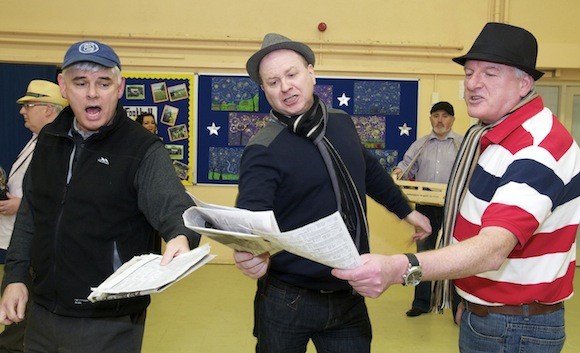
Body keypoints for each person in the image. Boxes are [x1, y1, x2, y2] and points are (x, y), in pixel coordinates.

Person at [332, 22, 580, 353]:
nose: (472, 85)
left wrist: (400, 268)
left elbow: (492, 249)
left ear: (524, 84)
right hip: (488, 313)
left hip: (516, 327)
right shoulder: (492, 135)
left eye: (490, 73)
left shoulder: (537, 146)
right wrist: (471, 299)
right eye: (469, 73)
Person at [233, 33, 432, 353]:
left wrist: (407, 211)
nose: (285, 87)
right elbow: (250, 218)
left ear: (311, 72)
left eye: (292, 74)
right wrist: (248, 252)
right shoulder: (263, 148)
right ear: (264, 90)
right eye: (272, 82)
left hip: (348, 295)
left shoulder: (339, 122)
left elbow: (368, 169)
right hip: (288, 299)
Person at [0, 40, 199, 353]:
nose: (92, 93)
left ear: (119, 88)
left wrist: (181, 236)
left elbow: (175, 207)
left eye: (103, 83)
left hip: (108, 319)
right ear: (63, 87)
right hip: (42, 310)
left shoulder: (141, 149)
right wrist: (15, 277)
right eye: (81, 83)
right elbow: (30, 215)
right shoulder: (49, 139)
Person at [0, 80, 67, 353]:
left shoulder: (55, 146)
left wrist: (21, 204)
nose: (22, 111)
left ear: (49, 110)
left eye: (29, 105)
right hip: (18, 243)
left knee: (19, 317)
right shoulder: (37, 141)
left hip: (33, 249)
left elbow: (59, 194)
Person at [392, 101, 463, 317]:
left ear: (452, 119)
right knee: (423, 253)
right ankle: (421, 303)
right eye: (436, 116)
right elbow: (405, 166)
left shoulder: (462, 144)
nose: (440, 120)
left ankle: (457, 305)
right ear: (430, 118)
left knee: (456, 254)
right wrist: (397, 172)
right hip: (424, 206)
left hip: (453, 206)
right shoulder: (421, 144)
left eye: (445, 116)